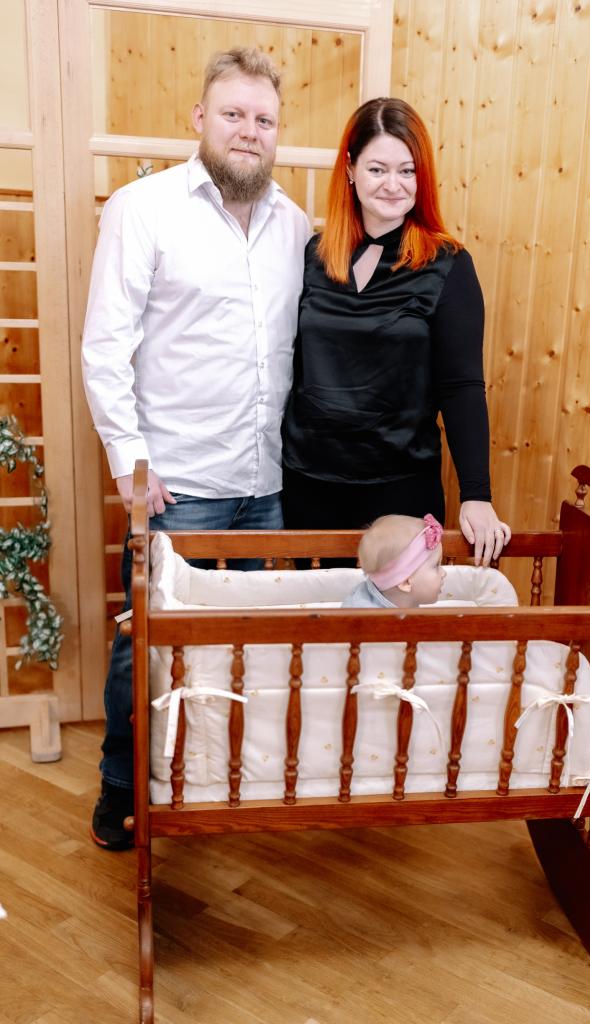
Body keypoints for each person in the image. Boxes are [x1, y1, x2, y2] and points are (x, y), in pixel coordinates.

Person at [81, 48, 310, 850]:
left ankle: (212, 782)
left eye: (263, 119)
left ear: (276, 131)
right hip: (176, 488)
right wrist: (129, 464)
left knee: (240, 650)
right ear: (199, 119)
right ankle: (121, 785)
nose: (248, 130)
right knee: (141, 648)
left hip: (265, 486)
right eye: (233, 114)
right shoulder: (142, 209)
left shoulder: (295, 226)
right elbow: (105, 346)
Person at [281, 97, 510, 567]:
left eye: (407, 171)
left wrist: (477, 493)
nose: (393, 184)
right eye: (377, 169)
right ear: (350, 169)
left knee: (396, 614)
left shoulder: (447, 265)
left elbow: (462, 386)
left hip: (400, 490)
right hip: (310, 486)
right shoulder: (314, 257)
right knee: (319, 613)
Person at [342, 513, 446, 608]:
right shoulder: (367, 617)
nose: (444, 573)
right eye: (436, 566)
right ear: (405, 582)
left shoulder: (404, 600)